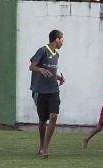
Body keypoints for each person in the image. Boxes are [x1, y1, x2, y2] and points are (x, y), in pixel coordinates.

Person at [29, 30, 65, 158]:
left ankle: (45, 147)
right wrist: (41, 69)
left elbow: (51, 72)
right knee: (43, 120)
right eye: (62, 40)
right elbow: (32, 67)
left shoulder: (57, 55)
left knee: (54, 116)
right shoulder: (42, 50)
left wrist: (59, 77)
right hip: (41, 91)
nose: (63, 42)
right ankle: (41, 145)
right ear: (56, 39)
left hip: (53, 90)